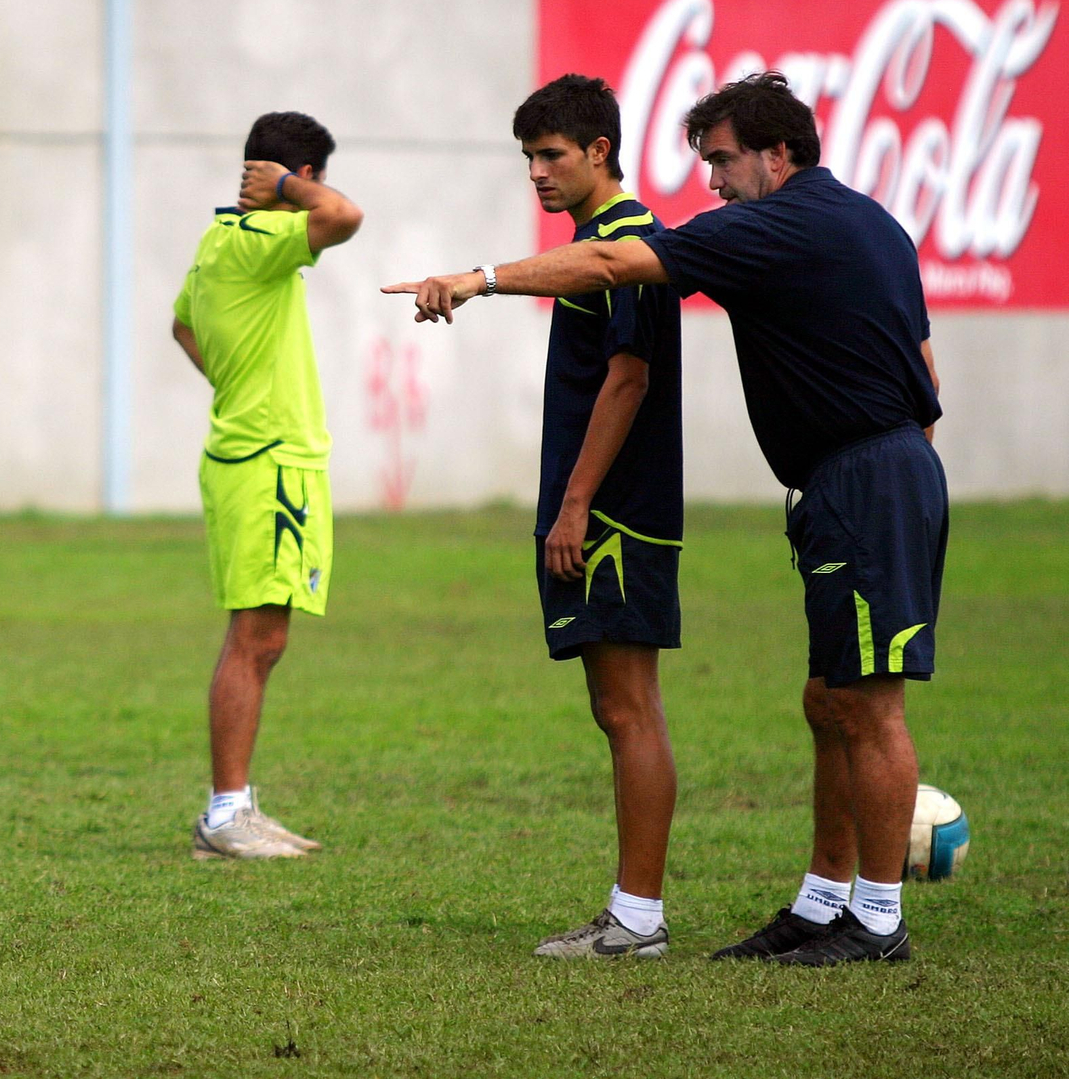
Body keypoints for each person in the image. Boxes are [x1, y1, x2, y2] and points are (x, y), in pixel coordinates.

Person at [384, 71, 945, 966]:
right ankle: (823, 900)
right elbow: (927, 377)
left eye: (722, 162)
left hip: (864, 480)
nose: (714, 182)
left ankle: (875, 921)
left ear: (778, 153)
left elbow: (619, 268)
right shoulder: (876, 224)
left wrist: (478, 278)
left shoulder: (777, 221)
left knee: (869, 706)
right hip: (867, 477)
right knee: (830, 699)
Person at [500, 75, 683, 957]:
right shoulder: (592, 241)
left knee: (629, 709)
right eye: (528, 157)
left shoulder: (630, 243)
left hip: (616, 516)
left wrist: (576, 503)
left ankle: (638, 917)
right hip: (598, 513)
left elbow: (630, 376)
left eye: (551, 155)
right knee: (617, 711)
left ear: (599, 152)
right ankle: (632, 911)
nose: (536, 172)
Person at [171, 111, 363, 859]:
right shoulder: (260, 238)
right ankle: (224, 814)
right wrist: (285, 189)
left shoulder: (219, 241)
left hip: (250, 454)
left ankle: (237, 803)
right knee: (257, 636)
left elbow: (182, 325)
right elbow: (347, 217)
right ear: (303, 175)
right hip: (271, 462)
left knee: (260, 635)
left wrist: (236, 384)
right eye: (311, 179)